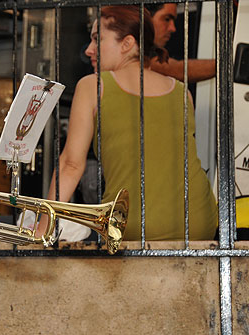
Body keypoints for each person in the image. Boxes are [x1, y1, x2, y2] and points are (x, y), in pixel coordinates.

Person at [43, 6, 217, 241]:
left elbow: (71, 165)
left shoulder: (93, 85)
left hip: (132, 224)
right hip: (198, 223)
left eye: (97, 39)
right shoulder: (182, 91)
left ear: (127, 44)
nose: (88, 50)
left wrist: (41, 229)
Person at [147, 2, 216, 82]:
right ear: (146, 17)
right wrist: (226, 64)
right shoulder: (135, 47)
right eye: (167, 19)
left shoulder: (153, 50)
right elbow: (176, 70)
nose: (173, 28)